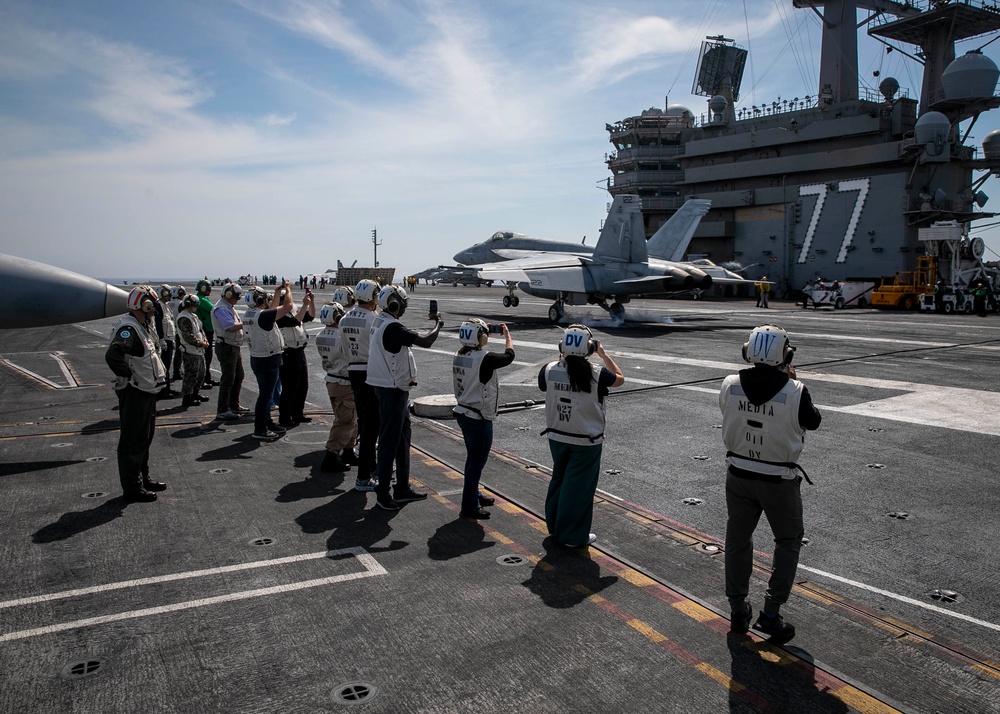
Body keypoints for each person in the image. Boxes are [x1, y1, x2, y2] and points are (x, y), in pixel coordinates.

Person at [720, 324, 822, 640]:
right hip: (778, 479)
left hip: (738, 475)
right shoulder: (796, 391)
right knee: (787, 541)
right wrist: (791, 381)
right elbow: (813, 421)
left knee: (738, 540)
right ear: (786, 355)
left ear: (747, 351)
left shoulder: (729, 384)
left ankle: (738, 610)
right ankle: (771, 612)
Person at [537, 324, 624, 547]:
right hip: (586, 441)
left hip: (557, 436)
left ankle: (556, 527)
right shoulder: (597, 373)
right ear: (589, 347)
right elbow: (620, 378)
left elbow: (544, 385)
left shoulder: (548, 369)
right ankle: (573, 537)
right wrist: (603, 354)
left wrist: (562, 358)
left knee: (559, 480)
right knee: (579, 489)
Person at [367, 284, 443, 510]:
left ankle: (401, 488)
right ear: (394, 303)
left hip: (393, 388)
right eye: (402, 303)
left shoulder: (380, 321)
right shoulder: (391, 327)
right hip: (392, 391)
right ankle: (383, 492)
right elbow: (426, 341)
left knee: (402, 440)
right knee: (389, 443)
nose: (404, 308)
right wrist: (438, 323)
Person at [104, 286, 168, 502]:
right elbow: (113, 355)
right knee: (133, 440)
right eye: (151, 304)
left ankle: (143, 478)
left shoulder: (142, 326)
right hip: (135, 392)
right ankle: (132, 488)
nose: (153, 309)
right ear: (144, 304)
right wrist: (129, 377)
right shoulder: (129, 329)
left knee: (144, 438)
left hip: (146, 390)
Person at [452, 318, 515, 519]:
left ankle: (474, 494)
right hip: (478, 418)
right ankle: (469, 505)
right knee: (476, 462)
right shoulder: (485, 359)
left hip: (463, 412)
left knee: (473, 459)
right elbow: (509, 356)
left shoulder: (459, 355)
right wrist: (508, 336)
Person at [340, 279, 382, 490]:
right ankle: (365, 476)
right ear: (374, 297)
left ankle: (371, 467)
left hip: (353, 372)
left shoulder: (345, 318)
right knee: (371, 428)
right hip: (371, 373)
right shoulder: (374, 320)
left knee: (365, 423)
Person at [243, 282, 295, 440]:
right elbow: (288, 307)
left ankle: (267, 423)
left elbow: (271, 311)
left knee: (265, 395)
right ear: (260, 300)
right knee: (265, 397)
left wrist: (277, 293)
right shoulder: (263, 316)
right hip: (268, 360)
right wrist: (288, 290)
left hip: (258, 359)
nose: (267, 301)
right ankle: (260, 428)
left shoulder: (251, 314)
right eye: (265, 299)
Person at [315, 302, 358, 472]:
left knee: (349, 419)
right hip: (344, 381)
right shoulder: (341, 337)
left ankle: (348, 450)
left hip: (332, 380)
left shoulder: (320, 336)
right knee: (345, 421)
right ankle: (330, 455)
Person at [277, 287, 316, 427]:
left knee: (302, 385)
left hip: (299, 351)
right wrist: (305, 304)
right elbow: (294, 321)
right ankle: (285, 417)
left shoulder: (293, 311)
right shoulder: (277, 315)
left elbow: (310, 316)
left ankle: (297, 413)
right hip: (288, 353)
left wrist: (311, 302)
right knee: (289, 388)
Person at [211, 282, 247, 420]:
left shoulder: (228, 307)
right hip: (227, 346)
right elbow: (230, 326)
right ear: (229, 294)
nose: (237, 300)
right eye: (236, 297)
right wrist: (248, 323)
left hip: (233, 346)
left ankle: (234, 405)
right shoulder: (221, 309)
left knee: (238, 376)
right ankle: (222, 409)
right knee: (228, 379)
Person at [176, 294, 210, 407]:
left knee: (201, 373)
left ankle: (195, 393)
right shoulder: (184, 318)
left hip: (198, 350)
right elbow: (188, 336)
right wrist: (201, 343)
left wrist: (204, 340)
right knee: (190, 375)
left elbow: (200, 330)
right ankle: (187, 397)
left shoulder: (193, 316)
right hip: (190, 351)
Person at [154, 284, 179, 399]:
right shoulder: (159, 306)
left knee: (167, 365)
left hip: (169, 338)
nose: (169, 295)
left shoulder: (166, 306)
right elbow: (158, 324)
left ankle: (167, 388)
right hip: (164, 339)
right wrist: (161, 339)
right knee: (164, 366)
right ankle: (163, 390)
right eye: (166, 293)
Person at [195, 279, 218, 389]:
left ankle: (207, 377)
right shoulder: (202, 300)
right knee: (206, 356)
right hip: (205, 330)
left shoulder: (201, 298)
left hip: (206, 329)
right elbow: (214, 309)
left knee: (207, 356)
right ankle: (203, 379)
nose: (210, 290)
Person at [168, 286, 187, 382]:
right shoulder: (181, 304)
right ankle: (177, 371)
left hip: (170, 330)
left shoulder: (168, 303)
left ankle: (176, 371)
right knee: (180, 352)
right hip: (179, 330)